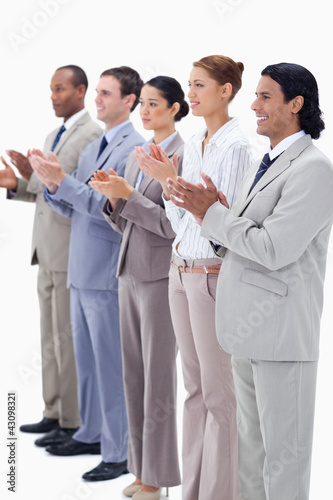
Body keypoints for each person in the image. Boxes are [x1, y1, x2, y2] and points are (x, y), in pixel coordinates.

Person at [164, 62, 333, 500]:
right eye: (254, 95)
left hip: (281, 338)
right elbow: (239, 241)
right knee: (251, 460)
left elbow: (275, 249)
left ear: (295, 105)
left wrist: (211, 214)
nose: (254, 105)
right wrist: (214, 217)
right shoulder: (270, 161)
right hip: (245, 334)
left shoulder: (314, 169)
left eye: (265, 97)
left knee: (284, 463)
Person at [135, 56, 253, 500]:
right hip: (179, 273)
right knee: (194, 392)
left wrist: (171, 182)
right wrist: (169, 184)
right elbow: (180, 219)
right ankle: (194, 491)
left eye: (200, 85)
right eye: (189, 85)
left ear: (226, 90)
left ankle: (220, 494)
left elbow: (224, 223)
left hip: (212, 275)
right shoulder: (198, 143)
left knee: (221, 398)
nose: (192, 93)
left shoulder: (238, 146)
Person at [29, 66, 145, 482]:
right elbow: (75, 202)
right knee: (88, 364)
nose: (98, 100)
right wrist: (52, 183)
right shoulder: (97, 144)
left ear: (129, 101)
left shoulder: (135, 149)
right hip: (80, 269)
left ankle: (119, 452)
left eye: (107, 94)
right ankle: (91, 433)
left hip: (106, 273)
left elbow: (107, 209)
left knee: (111, 366)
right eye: (96, 92)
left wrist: (67, 185)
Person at [89, 75, 188, 500]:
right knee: (133, 375)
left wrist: (129, 194)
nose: (145, 111)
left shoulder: (183, 155)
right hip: (128, 274)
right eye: (142, 103)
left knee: (158, 379)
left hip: (161, 279)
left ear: (175, 109)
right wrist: (114, 198)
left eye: (154, 104)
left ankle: (158, 477)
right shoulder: (136, 154)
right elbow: (125, 220)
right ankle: (139, 470)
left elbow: (171, 225)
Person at [0, 65, 102, 445]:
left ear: (80, 91)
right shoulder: (53, 134)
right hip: (44, 249)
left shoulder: (92, 135)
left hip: (69, 250)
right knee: (49, 338)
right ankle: (53, 411)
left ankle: (73, 421)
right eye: (51, 89)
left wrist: (40, 181)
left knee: (67, 339)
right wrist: (21, 181)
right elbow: (50, 189)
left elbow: (73, 192)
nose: (53, 96)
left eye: (60, 89)